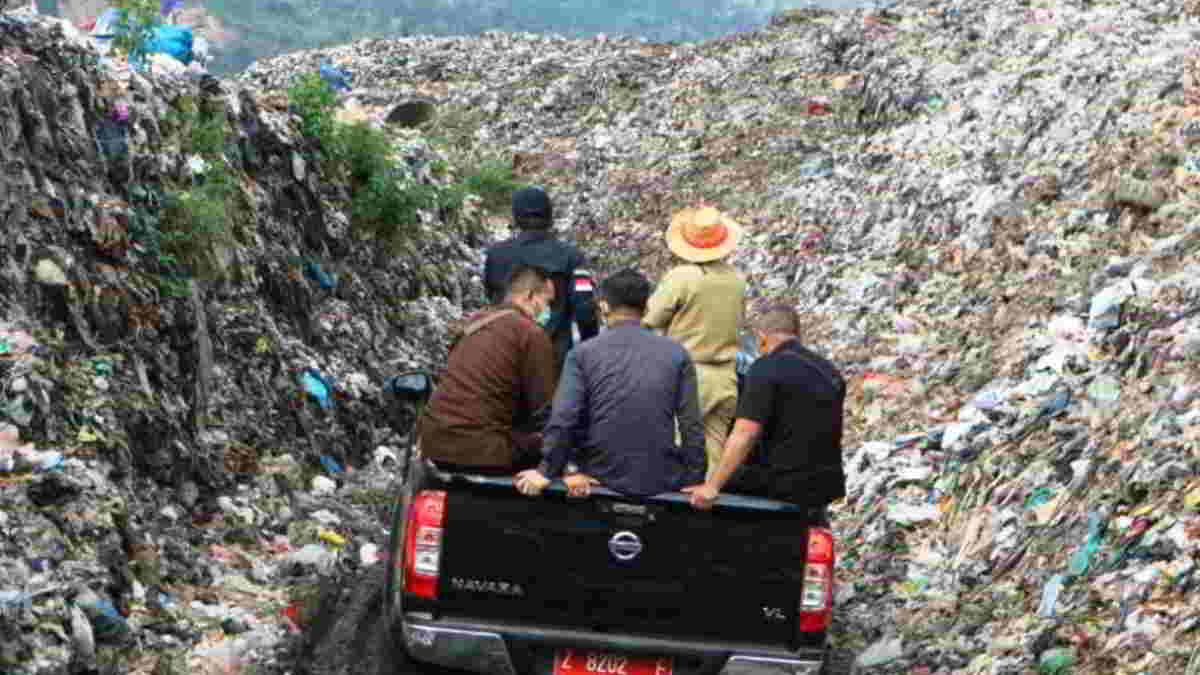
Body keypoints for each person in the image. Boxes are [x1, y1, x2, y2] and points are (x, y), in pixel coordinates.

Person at [514, 270, 706, 498]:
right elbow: (691, 424)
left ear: (604, 307)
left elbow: (565, 418)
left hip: (597, 477)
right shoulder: (677, 354)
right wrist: (695, 478)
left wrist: (549, 470)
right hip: (659, 478)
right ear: (646, 309)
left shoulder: (583, 354)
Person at [683, 305, 846, 510]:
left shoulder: (766, 368)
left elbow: (745, 433)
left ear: (762, 338)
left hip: (783, 484)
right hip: (825, 485)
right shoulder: (830, 372)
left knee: (709, 487)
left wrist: (712, 486)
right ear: (798, 335)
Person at [416, 264, 558, 471]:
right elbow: (544, 410)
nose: (548, 310)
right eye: (547, 301)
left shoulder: (474, 323)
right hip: (482, 450)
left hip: (433, 444)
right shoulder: (531, 334)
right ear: (530, 295)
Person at [644, 205, 747, 478]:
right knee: (712, 457)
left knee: (672, 451)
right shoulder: (737, 280)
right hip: (726, 378)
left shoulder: (683, 277)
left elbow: (650, 318)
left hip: (690, 375)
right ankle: (706, 511)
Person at [483, 186, 599, 374]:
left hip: (507, 356)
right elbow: (585, 308)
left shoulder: (496, 255)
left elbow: (492, 299)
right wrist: (590, 348)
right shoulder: (571, 257)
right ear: (549, 216)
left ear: (516, 217)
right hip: (554, 360)